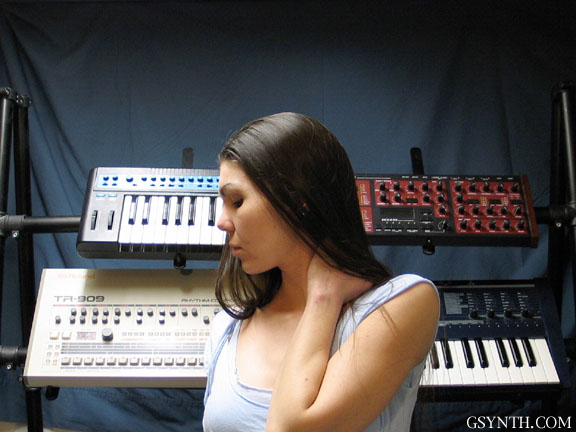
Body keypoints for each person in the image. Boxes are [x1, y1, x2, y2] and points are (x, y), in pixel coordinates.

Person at [202, 112, 439, 432]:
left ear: (299, 201)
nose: (222, 222)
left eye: (237, 201)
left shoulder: (404, 305)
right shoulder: (225, 329)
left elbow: (289, 428)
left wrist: (323, 297)